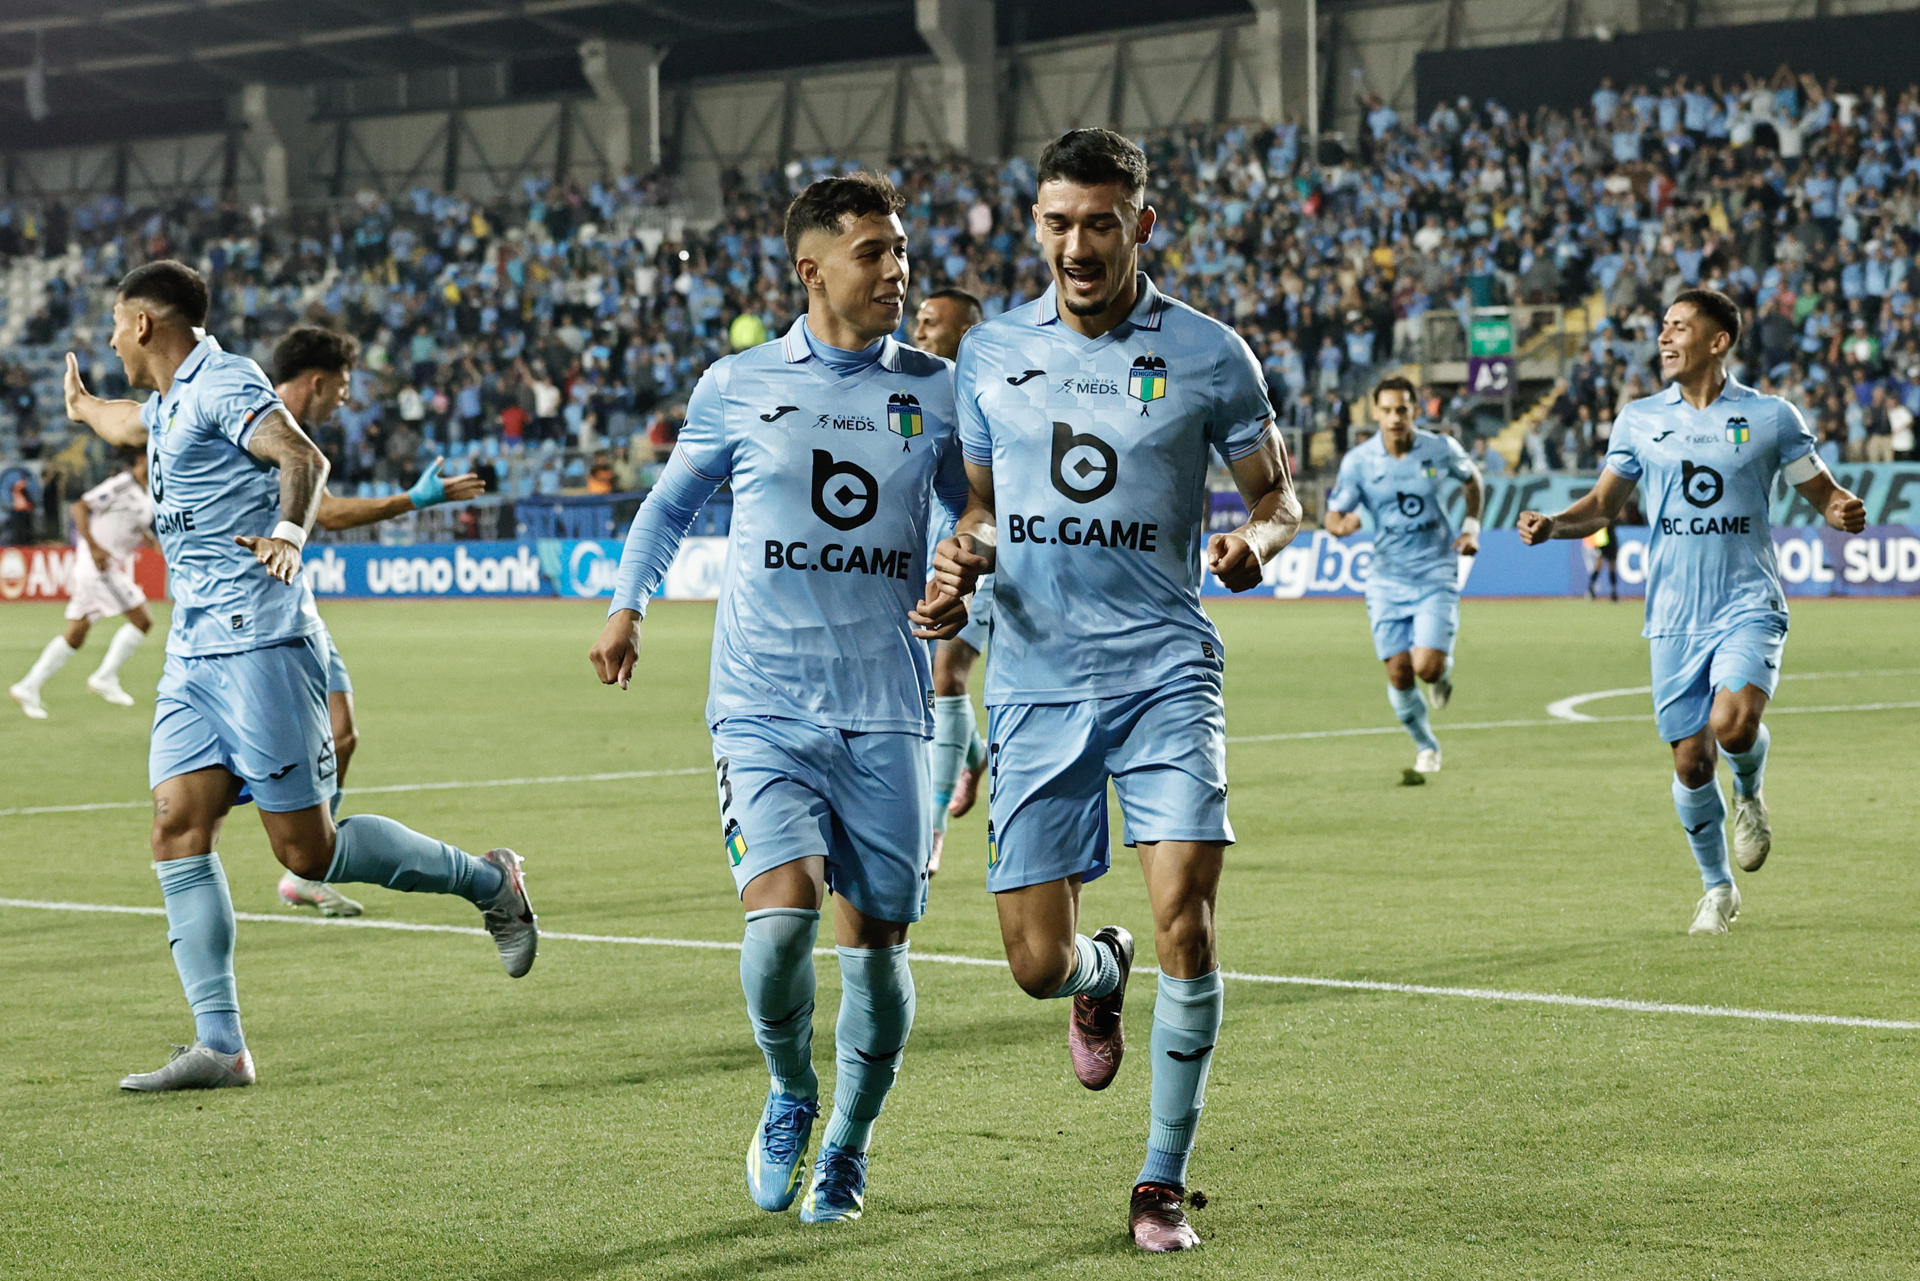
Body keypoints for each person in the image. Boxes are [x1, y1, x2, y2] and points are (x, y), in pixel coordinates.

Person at [930, 129, 1302, 1253]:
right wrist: (964, 560)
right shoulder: (989, 356)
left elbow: (1282, 501)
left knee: (1187, 917)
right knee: (1036, 965)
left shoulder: (1210, 353)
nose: (1077, 245)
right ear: (1033, 225)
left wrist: (1258, 546)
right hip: (1037, 677)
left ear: (1141, 223)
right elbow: (982, 509)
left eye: (1100, 222)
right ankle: (1101, 975)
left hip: (1164, 671)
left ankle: (1160, 1182)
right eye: (1057, 222)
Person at [61, 260, 537, 1094]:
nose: (107, 337)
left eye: (113, 322)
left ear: (144, 324)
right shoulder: (173, 401)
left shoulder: (222, 383)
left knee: (308, 854)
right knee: (177, 825)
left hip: (262, 645)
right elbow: (129, 421)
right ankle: (222, 1046)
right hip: (194, 655)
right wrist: (83, 407)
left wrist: (288, 530)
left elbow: (303, 458)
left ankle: (491, 880)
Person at [590, 174, 967, 1226]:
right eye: (874, 252)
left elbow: (971, 516)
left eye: (901, 249)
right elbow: (667, 509)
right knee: (778, 929)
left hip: (887, 708)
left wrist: (963, 569)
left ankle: (850, 1140)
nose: (897, 270)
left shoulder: (936, 391)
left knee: (879, 952)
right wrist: (630, 606)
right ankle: (794, 1094)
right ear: (811, 270)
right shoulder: (738, 383)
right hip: (759, 700)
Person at [1519, 288, 1865, 935]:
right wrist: (1554, 525)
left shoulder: (1770, 417)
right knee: (1690, 761)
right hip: (1674, 614)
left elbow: (1821, 490)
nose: (1664, 336)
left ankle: (1751, 791)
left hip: (1747, 601)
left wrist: (1840, 507)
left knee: (1733, 724)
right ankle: (1717, 888)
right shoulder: (1639, 420)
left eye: (1679, 326)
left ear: (1717, 340)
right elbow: (1602, 503)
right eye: (1662, 326)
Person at [259, 326, 488, 918]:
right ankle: (302, 854)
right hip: (257, 622)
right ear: (318, 379)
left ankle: (310, 862)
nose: (347, 397)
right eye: (343, 384)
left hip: (296, 606)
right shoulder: (261, 422)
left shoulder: (292, 432)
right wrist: (414, 500)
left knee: (343, 733)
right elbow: (327, 514)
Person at [1323, 376, 1484, 775]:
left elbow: (1472, 481)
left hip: (1435, 568)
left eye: (1403, 409)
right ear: (1375, 413)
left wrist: (1472, 527)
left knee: (1426, 666)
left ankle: (1440, 675)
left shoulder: (1439, 448)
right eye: (1388, 410)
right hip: (1386, 576)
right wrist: (1338, 526)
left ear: (1415, 410)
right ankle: (1426, 746)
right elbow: (1334, 513)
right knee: (1398, 670)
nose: (1396, 418)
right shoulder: (1359, 462)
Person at [910, 287, 987, 876]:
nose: (919, 330)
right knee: (941, 680)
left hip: (991, 552)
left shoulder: (993, 388)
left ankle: (931, 831)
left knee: (944, 674)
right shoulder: (921, 393)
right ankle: (973, 750)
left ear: (965, 331)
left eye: (931, 323)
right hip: (943, 550)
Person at [9, 451, 158, 718]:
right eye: (149, 455)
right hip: (99, 567)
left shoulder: (149, 494)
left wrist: (153, 544)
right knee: (143, 620)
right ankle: (105, 677)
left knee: (76, 634)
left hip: (102, 567)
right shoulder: (122, 484)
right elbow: (79, 507)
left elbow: (134, 527)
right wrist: (94, 547)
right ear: (139, 459)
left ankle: (27, 687)